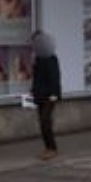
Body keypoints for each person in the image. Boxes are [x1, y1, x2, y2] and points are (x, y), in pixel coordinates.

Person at [31, 31, 62, 160]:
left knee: (45, 121)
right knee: (42, 122)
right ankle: (48, 147)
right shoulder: (37, 59)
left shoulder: (51, 59)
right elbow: (36, 79)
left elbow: (55, 78)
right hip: (40, 95)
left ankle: (52, 148)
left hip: (50, 96)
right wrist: (33, 92)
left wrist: (54, 95)